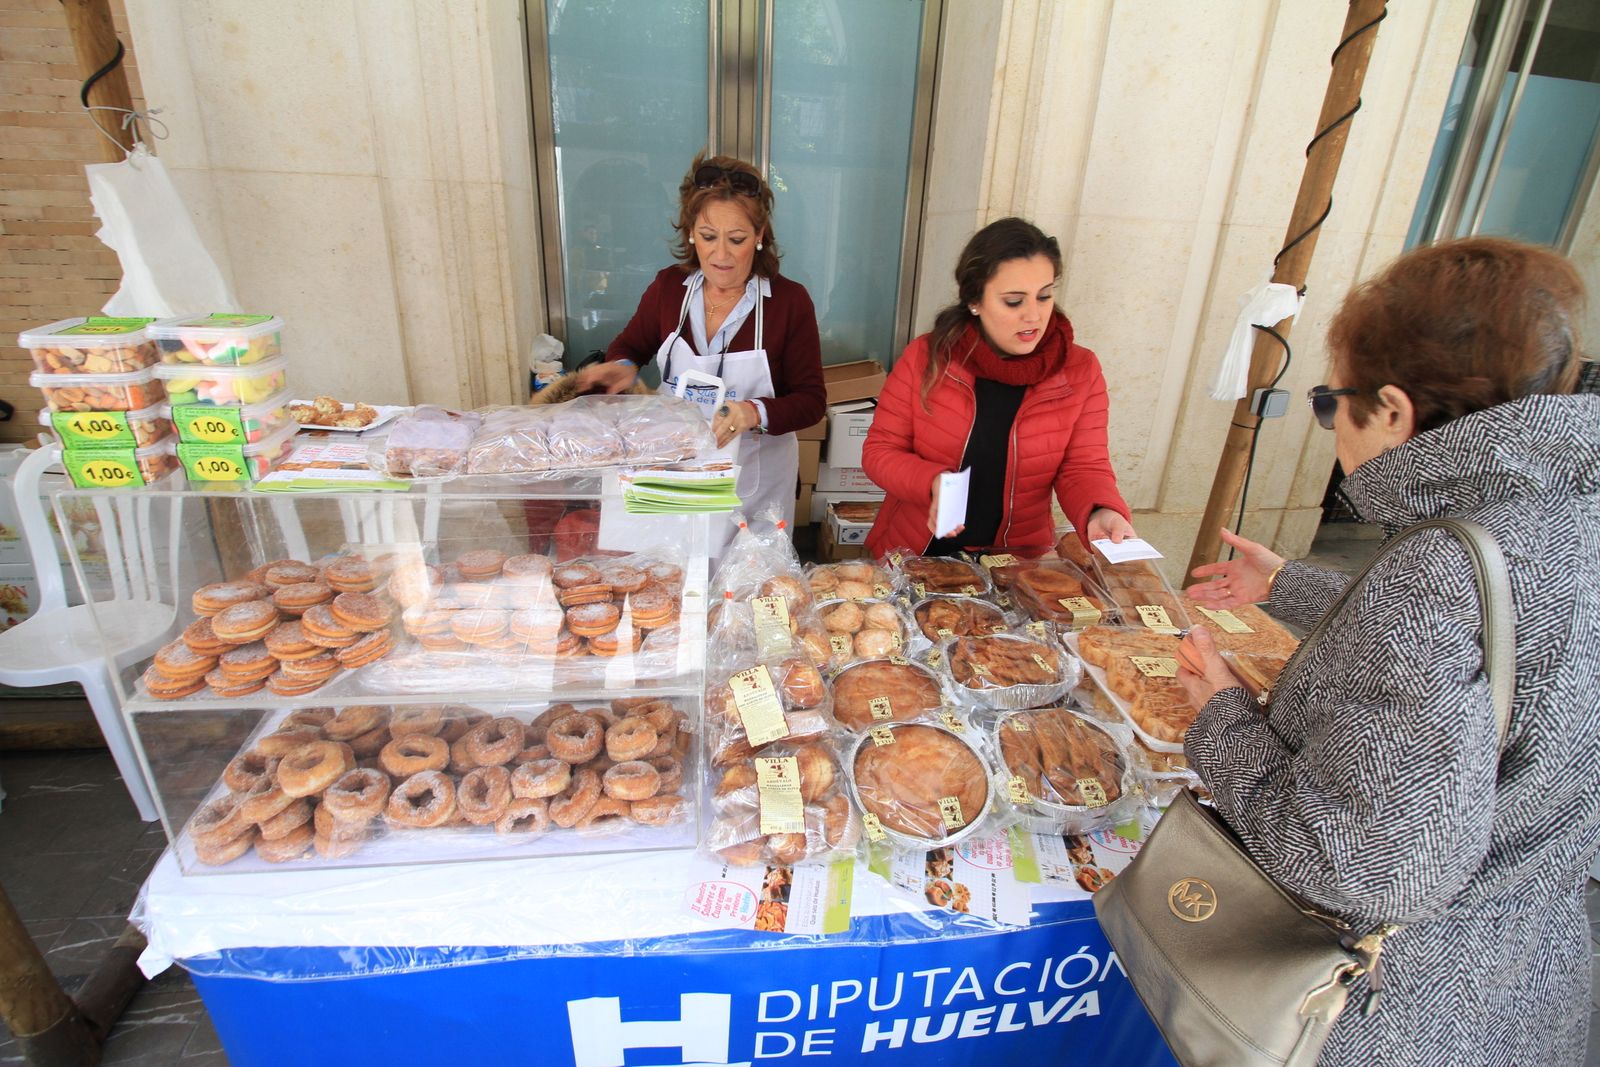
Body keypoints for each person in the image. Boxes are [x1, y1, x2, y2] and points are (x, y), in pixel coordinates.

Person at [1178, 237, 1600, 1066]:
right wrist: (1290, 584)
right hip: (1535, 975)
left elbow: (1360, 863)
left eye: (1334, 401)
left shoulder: (1440, 569)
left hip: (1397, 1006)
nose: (1333, 423)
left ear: (1396, 412)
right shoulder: (1563, 518)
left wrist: (1223, 716)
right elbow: (1497, 651)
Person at [577, 153, 825, 548]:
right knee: (671, 585)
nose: (721, 255)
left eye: (738, 239)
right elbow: (631, 345)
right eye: (709, 236)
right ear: (691, 232)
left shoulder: (789, 302)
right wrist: (622, 365)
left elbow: (811, 401)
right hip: (675, 472)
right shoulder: (668, 288)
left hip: (754, 482)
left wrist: (752, 411)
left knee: (744, 593)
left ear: (760, 235)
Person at [861, 217, 1135, 558]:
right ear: (975, 300)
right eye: (1014, 301)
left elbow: (1084, 466)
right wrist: (933, 482)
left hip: (1016, 562)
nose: (1034, 316)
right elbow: (880, 451)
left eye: (1044, 296)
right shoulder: (928, 357)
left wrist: (1101, 510)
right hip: (918, 549)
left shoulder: (1080, 370)